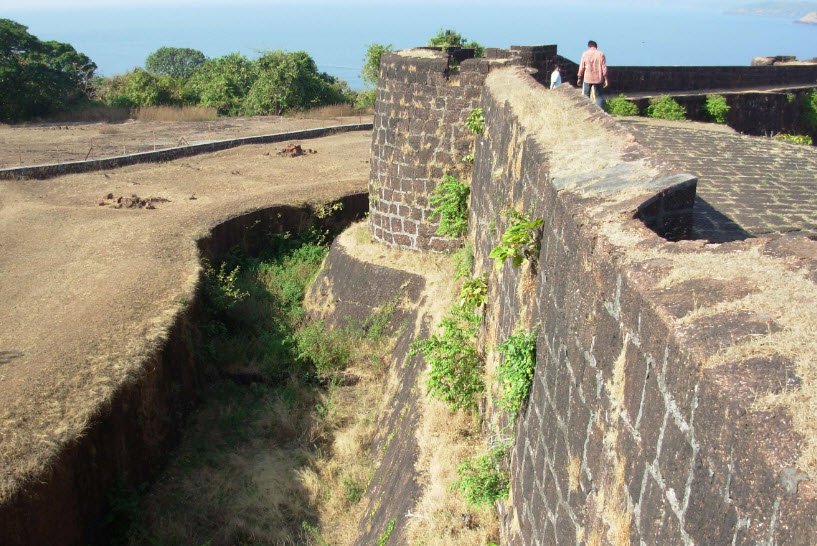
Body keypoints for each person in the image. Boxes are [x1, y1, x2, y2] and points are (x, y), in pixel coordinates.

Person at [576, 40, 608, 108]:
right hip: (598, 78)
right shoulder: (601, 54)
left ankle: (587, 110)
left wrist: (579, 78)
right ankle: (599, 111)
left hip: (587, 78)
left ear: (589, 46)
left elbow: (581, 67)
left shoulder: (585, 54)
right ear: (596, 46)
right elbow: (604, 68)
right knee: (599, 97)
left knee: (586, 96)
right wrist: (606, 79)